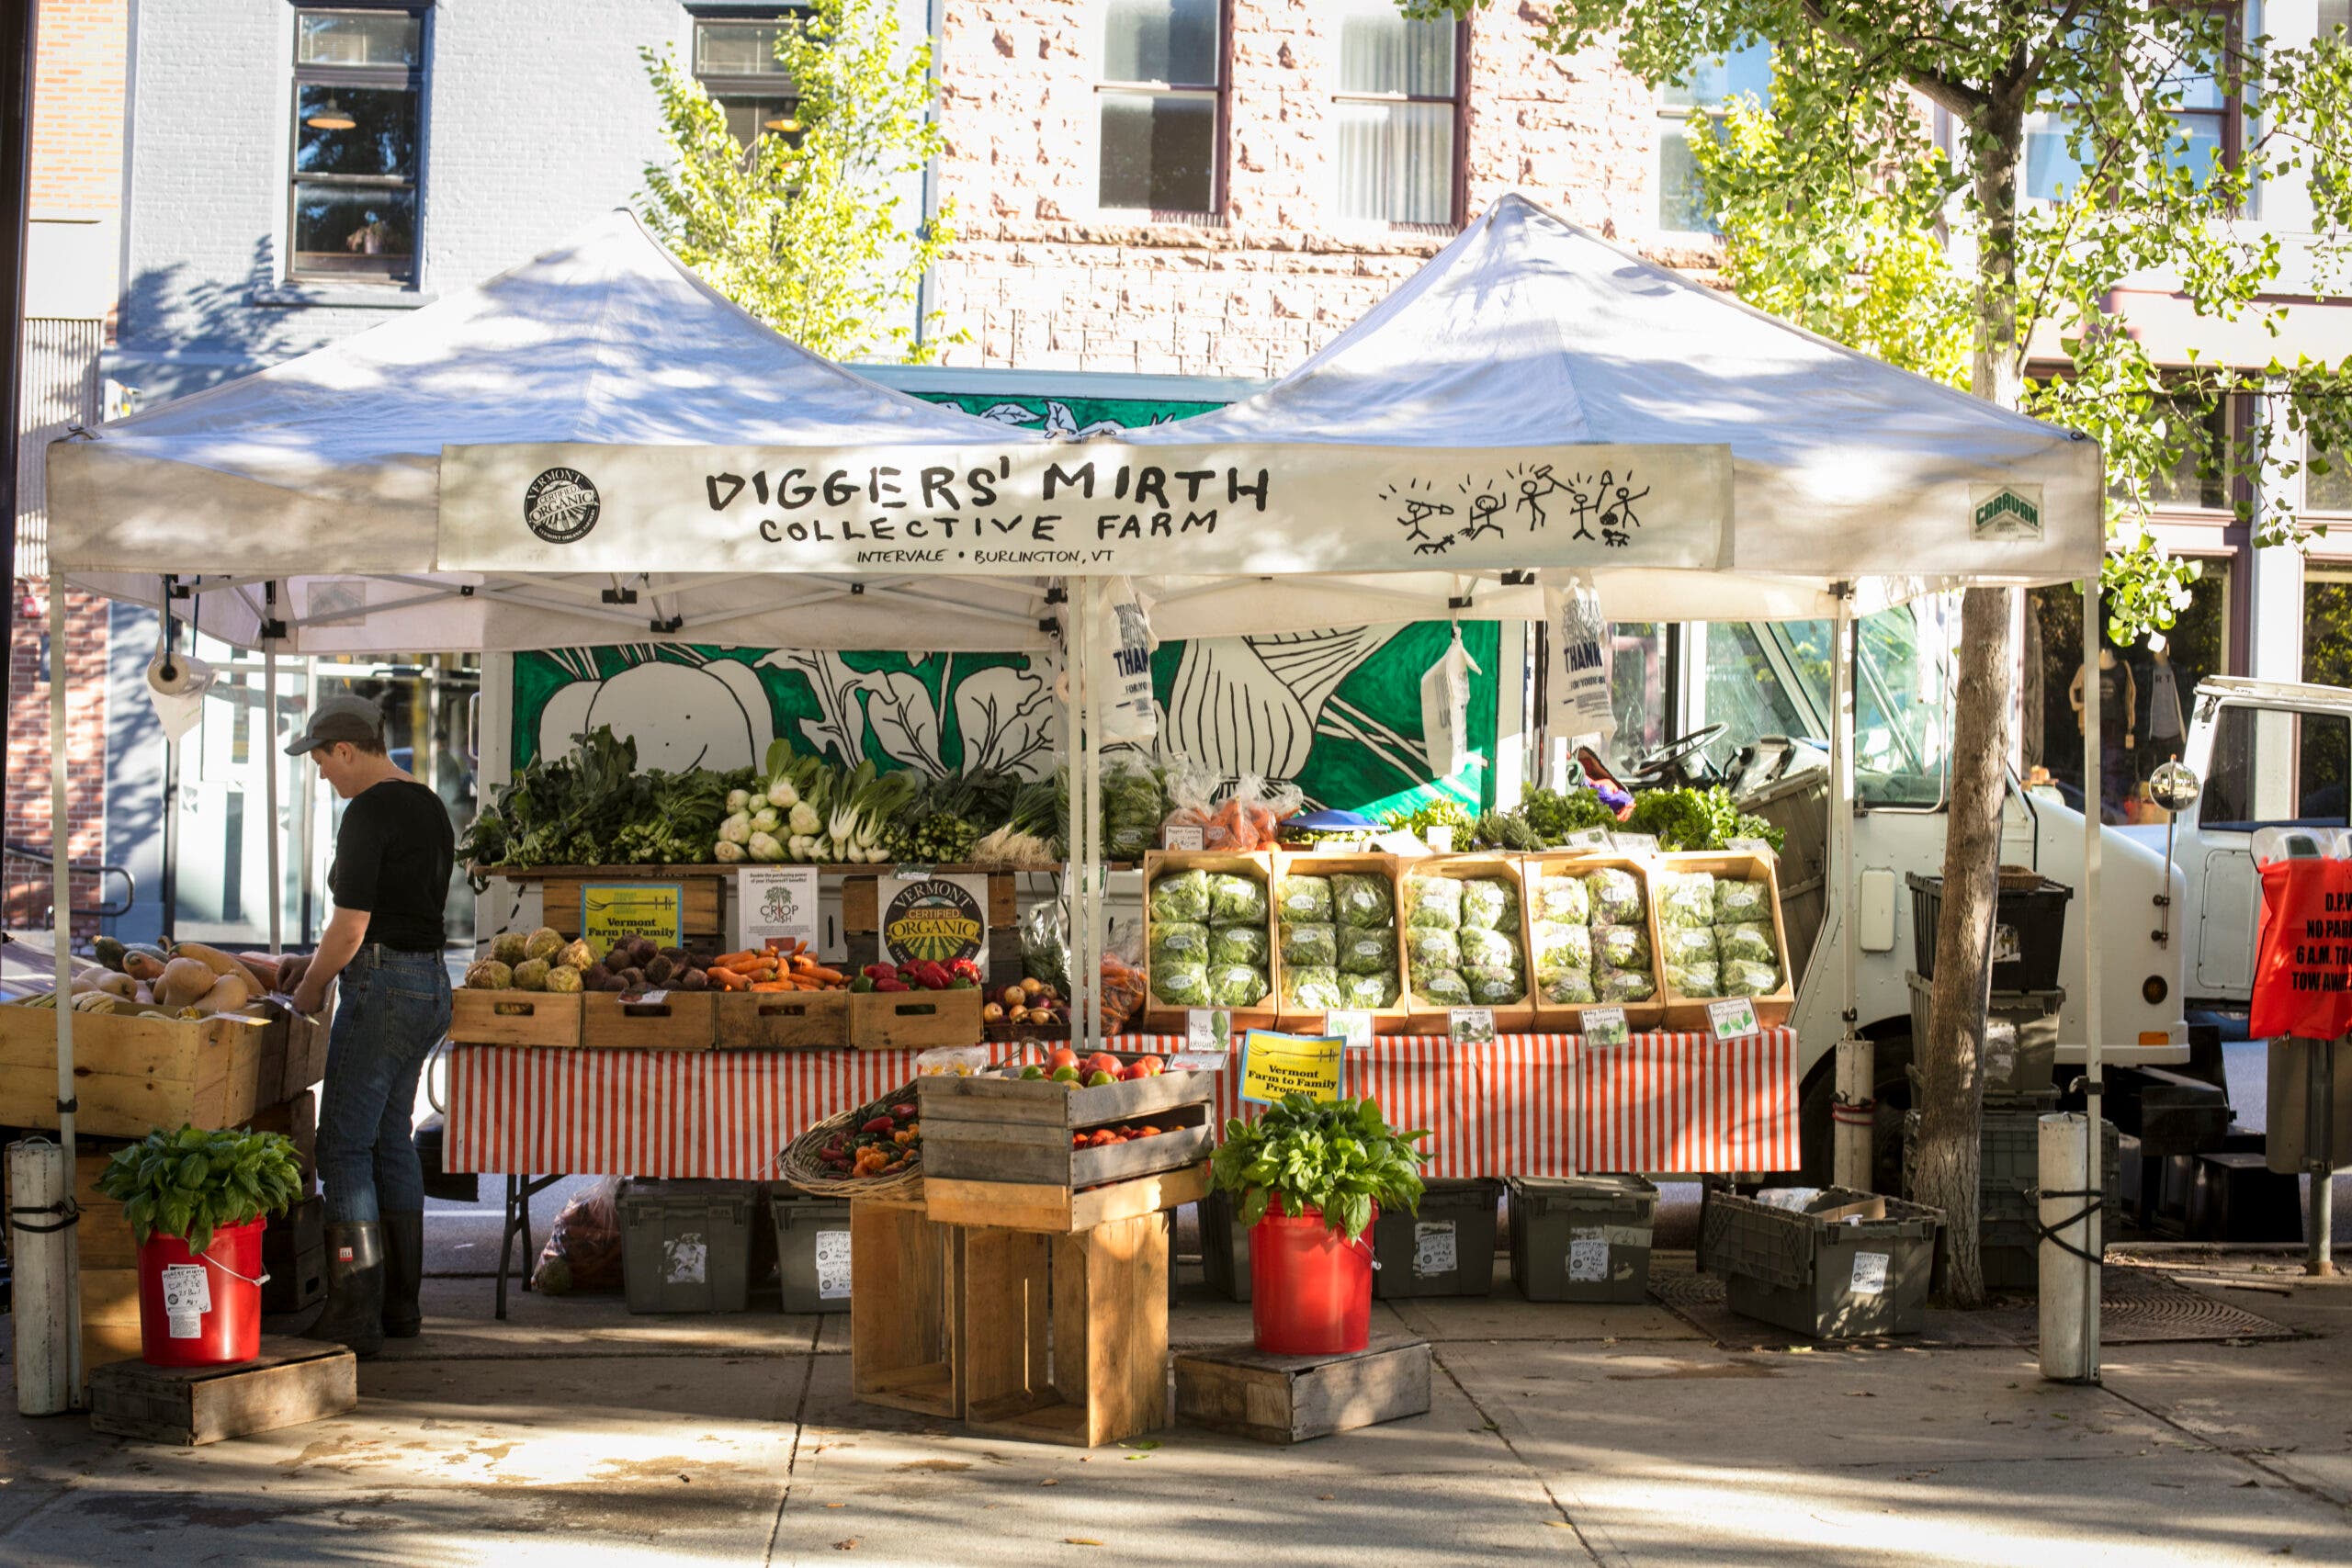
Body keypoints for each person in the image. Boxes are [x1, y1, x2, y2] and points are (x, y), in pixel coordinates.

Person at [284, 694, 454, 1356]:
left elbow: (351, 926)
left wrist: (309, 986)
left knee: (343, 1146)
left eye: (324, 760)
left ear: (347, 749)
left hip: (382, 986)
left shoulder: (368, 809)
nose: (324, 774)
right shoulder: (429, 802)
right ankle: (399, 1307)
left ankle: (354, 1312)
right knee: (390, 1139)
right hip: (430, 983)